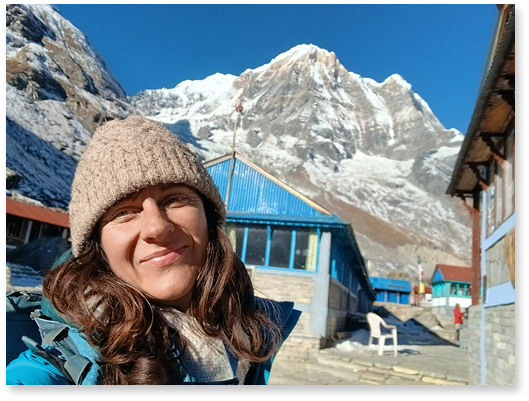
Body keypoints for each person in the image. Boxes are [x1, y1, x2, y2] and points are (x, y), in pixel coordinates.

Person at [6, 115, 301, 385]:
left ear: (209, 218)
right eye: (123, 212)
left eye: (174, 199)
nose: (157, 227)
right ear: (98, 247)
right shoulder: (50, 371)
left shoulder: (254, 332)